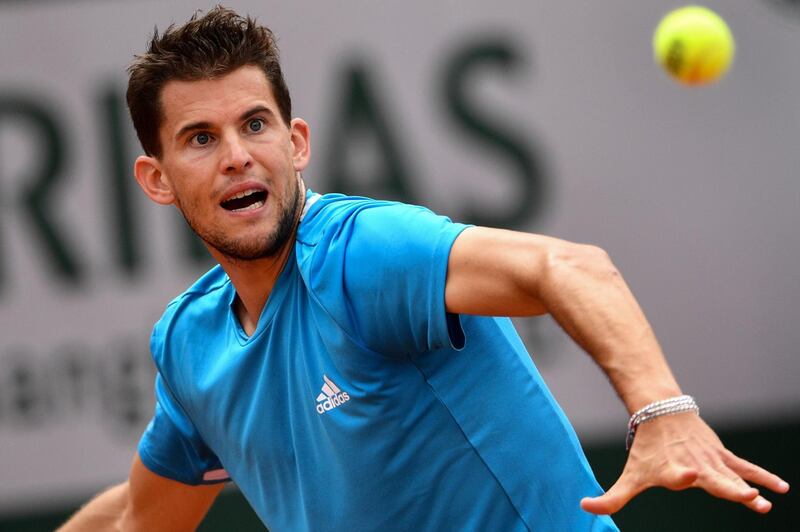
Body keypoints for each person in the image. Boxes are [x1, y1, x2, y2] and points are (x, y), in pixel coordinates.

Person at [60, 7, 789, 531]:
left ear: (298, 142)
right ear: (156, 179)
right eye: (200, 137)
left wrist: (663, 409)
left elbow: (566, 266)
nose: (237, 155)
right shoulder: (191, 346)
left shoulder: (362, 254)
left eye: (255, 124)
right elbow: (138, 515)